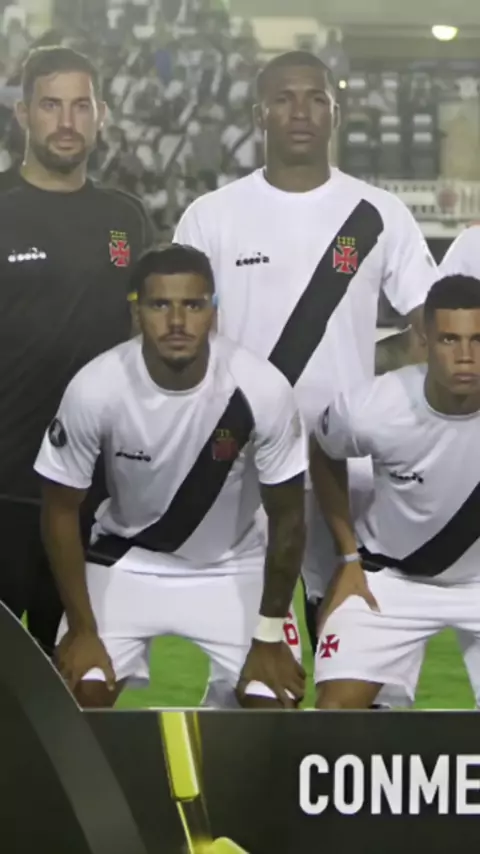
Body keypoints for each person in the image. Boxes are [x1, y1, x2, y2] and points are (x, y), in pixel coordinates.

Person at [173, 50, 438, 663]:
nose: (301, 112)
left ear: (335, 114)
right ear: (258, 114)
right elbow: (181, 336)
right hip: (243, 467)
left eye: (316, 99)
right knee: (253, 675)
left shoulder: (379, 214)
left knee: (353, 663)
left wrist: (373, 373)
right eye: (284, 99)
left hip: (345, 469)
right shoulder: (211, 217)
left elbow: (434, 326)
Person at [34, 244, 307, 710]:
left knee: (273, 704)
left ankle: (223, 722)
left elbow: (289, 519)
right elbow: (59, 509)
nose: (177, 321)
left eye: (193, 305)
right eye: (160, 305)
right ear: (137, 312)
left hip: (233, 564)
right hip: (127, 559)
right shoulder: (96, 387)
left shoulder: (261, 388)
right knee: (78, 699)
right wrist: (82, 629)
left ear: (214, 311)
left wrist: (267, 636)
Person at [0, 45, 155, 657]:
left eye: (80, 106)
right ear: (23, 114)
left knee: (77, 675)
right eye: (50, 105)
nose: (66, 122)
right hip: (5, 486)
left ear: (101, 115)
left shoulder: (127, 218)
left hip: (95, 494)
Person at [313, 274, 480, 709]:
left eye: (478, 340)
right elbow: (323, 449)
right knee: (333, 714)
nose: (465, 355)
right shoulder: (374, 409)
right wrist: (348, 557)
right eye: (450, 339)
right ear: (425, 340)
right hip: (389, 579)